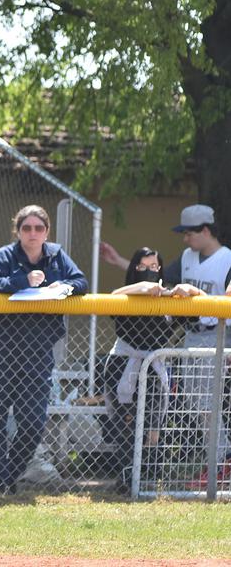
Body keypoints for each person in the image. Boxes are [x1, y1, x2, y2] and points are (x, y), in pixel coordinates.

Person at [100, 204, 231, 487]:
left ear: (205, 230)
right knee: (197, 405)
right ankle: (217, 462)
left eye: (189, 233)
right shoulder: (187, 257)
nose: (185, 239)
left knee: (208, 406)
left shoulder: (227, 260)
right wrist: (121, 261)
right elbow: (153, 280)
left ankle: (222, 462)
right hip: (190, 335)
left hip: (217, 335)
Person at [0, 205, 89, 494]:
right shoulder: (4, 256)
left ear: (47, 232)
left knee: (33, 424)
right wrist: (21, 282)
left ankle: (9, 476)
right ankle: (1, 484)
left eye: (39, 228)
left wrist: (60, 286)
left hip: (37, 353)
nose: (33, 233)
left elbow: (81, 282)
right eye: (27, 228)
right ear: (18, 231)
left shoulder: (57, 256)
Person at [101, 247, 188, 491]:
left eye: (154, 268)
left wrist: (187, 290)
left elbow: (199, 308)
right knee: (125, 427)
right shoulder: (126, 296)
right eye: (142, 268)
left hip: (154, 367)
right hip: (123, 366)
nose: (149, 273)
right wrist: (141, 289)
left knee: (152, 430)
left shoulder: (169, 299)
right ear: (133, 270)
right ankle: (127, 482)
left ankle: (150, 481)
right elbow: (114, 296)